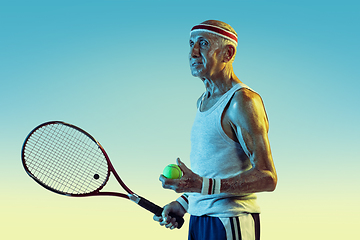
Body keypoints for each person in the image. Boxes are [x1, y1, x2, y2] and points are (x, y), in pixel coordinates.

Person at [153, 20, 277, 240]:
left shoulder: (243, 102)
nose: (193, 52)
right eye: (191, 43)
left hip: (230, 221)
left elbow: (267, 178)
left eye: (203, 43)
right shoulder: (203, 102)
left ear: (227, 54)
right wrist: (184, 202)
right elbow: (213, 172)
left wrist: (201, 185)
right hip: (199, 220)